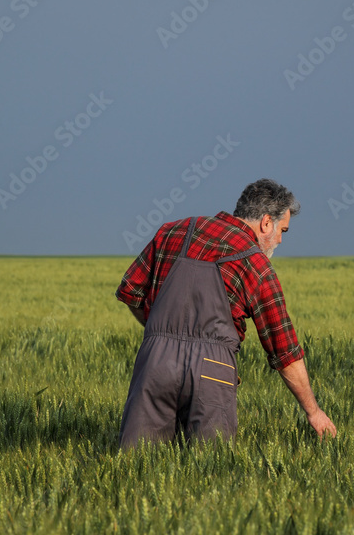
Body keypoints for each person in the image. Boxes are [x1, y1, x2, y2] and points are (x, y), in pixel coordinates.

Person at [116, 178, 337, 447]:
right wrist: (314, 412)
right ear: (266, 222)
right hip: (213, 371)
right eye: (283, 230)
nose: (280, 239)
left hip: (155, 363)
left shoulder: (173, 231)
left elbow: (131, 291)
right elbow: (284, 351)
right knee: (209, 472)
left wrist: (163, 334)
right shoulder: (257, 265)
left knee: (138, 465)